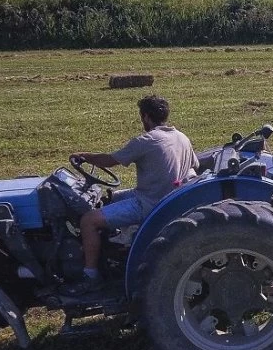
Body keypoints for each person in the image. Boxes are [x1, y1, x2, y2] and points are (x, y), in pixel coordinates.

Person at [67, 94, 197, 293]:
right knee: (109, 198)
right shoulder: (182, 137)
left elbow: (110, 160)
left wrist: (84, 156)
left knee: (88, 220)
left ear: (145, 117)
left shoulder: (146, 140)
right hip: (168, 199)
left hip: (149, 203)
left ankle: (90, 274)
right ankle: (110, 247)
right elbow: (194, 165)